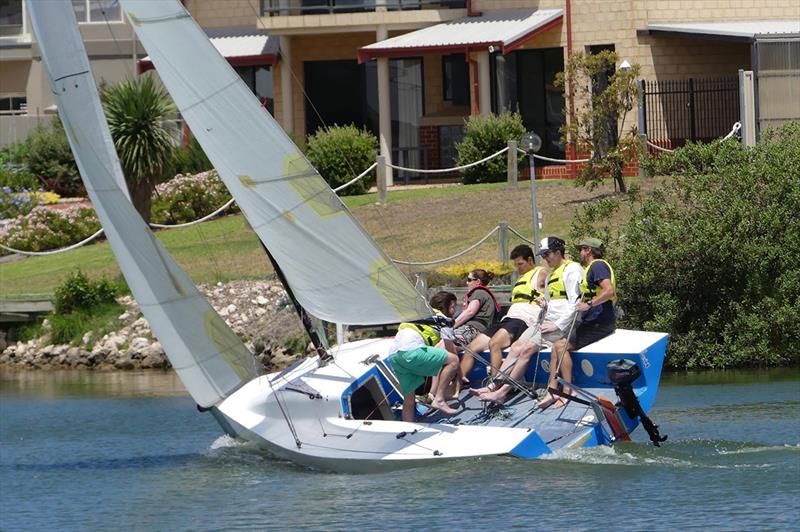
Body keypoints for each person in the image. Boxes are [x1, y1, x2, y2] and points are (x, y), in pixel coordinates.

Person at [475, 236, 583, 406]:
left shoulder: (572, 269)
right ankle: (494, 385)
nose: (545, 258)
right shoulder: (552, 275)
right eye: (543, 255)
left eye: (547, 254)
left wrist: (557, 324)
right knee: (517, 346)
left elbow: (575, 302)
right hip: (545, 321)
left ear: (558, 251)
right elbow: (551, 301)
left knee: (526, 351)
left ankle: (501, 393)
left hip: (559, 324)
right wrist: (544, 304)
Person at [459, 245, 547, 382]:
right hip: (508, 319)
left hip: (523, 320)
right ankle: (456, 388)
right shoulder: (521, 279)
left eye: (520, 264)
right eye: (516, 265)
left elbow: (551, 290)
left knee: (495, 344)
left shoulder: (540, 273)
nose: (518, 268)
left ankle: (495, 383)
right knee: (470, 348)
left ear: (530, 260)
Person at [388, 291, 460, 422]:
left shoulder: (419, 313)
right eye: (453, 306)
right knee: (454, 361)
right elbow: (451, 350)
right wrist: (458, 376)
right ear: (445, 307)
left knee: (409, 400)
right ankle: (439, 399)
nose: (454, 310)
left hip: (394, 356)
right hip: (412, 351)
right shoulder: (443, 319)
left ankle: (407, 429)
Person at [453, 269, 500, 346]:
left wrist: (452, 325)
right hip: (480, 331)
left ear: (478, 282)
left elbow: (470, 312)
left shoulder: (479, 292)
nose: (467, 282)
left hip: (473, 329)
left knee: (447, 343)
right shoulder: (485, 293)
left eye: (469, 280)